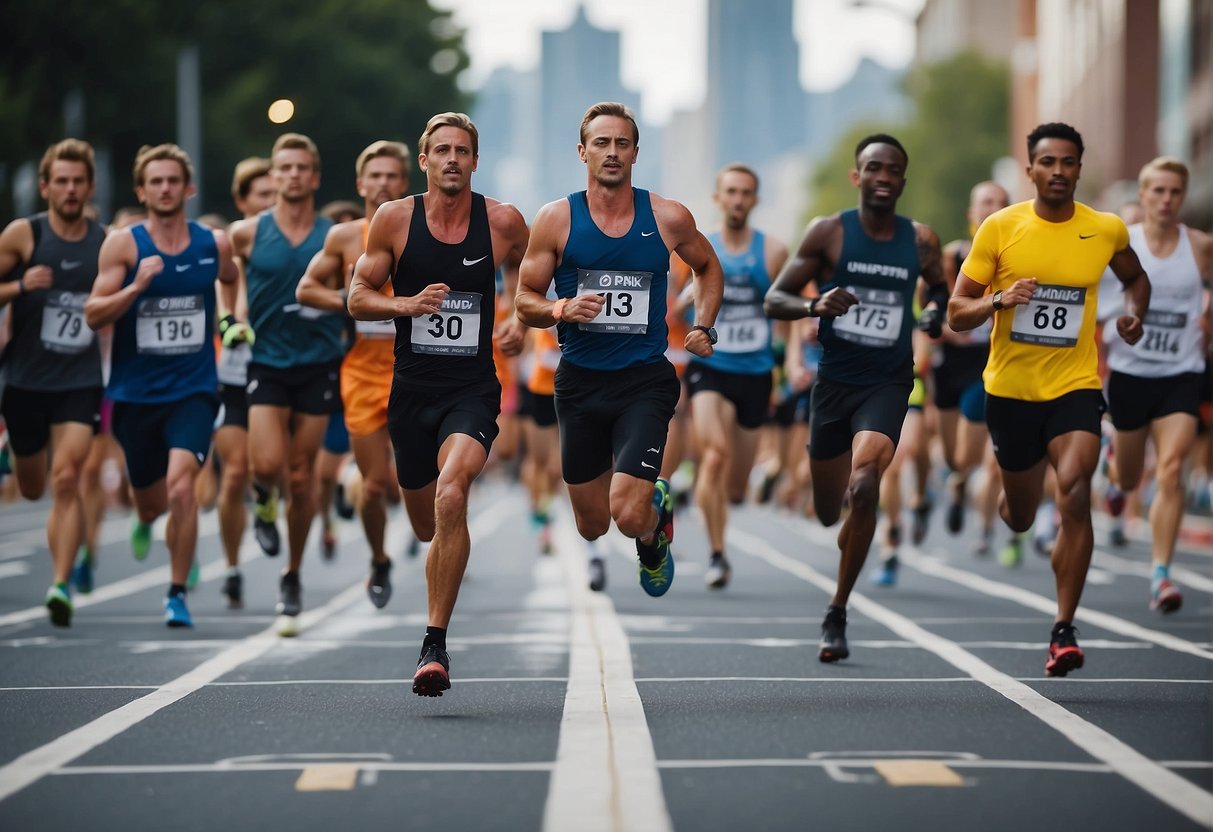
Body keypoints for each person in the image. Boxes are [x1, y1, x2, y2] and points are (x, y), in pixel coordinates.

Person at [949, 122, 1150, 676]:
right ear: (1031, 168)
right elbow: (954, 311)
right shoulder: (1001, 228)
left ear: (1079, 168)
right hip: (1011, 393)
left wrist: (1135, 314)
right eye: (1048, 162)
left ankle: (1064, 628)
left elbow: (1137, 279)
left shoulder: (1105, 229)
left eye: (1068, 162)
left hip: (1075, 387)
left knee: (1075, 492)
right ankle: (1013, 507)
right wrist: (998, 300)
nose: (1059, 171)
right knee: (1018, 515)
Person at [349, 113, 529, 696]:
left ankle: (434, 643)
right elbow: (357, 297)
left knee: (454, 493)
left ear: (476, 161)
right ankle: (434, 578)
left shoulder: (502, 222)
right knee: (427, 522)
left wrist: (522, 324)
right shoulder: (394, 220)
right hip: (411, 393)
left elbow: (533, 281)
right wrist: (407, 307)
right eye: (441, 151)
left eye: (463, 151)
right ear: (423, 161)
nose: (452, 159)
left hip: (473, 389)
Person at [516, 101, 724, 599]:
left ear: (635, 152)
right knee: (592, 525)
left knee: (628, 515)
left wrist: (704, 327)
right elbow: (524, 302)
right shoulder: (556, 219)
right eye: (602, 143)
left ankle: (652, 533)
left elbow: (709, 268)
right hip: (580, 382)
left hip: (643, 381)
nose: (612, 153)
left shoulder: (668, 216)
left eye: (622, 144)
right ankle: (649, 510)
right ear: (582, 152)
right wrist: (560, 310)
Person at [764, 133, 946, 663]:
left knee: (865, 484)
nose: (883, 178)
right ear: (857, 177)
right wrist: (813, 304)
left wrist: (933, 311)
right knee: (827, 511)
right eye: (874, 169)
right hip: (834, 384)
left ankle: (837, 610)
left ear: (902, 180)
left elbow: (938, 288)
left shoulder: (920, 241)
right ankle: (849, 522)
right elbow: (776, 298)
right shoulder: (829, 234)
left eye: (893, 170)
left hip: (888, 383)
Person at [85, 143, 237, 628]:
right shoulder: (123, 246)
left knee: (181, 488)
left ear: (188, 188)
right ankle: (146, 519)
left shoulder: (213, 243)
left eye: (174, 180)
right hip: (134, 396)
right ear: (142, 190)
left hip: (192, 391)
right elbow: (92, 314)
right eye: (156, 181)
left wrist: (231, 316)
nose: (166, 188)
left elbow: (232, 280)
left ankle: (176, 594)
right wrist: (134, 288)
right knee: (150, 502)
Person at [230, 133, 341, 636]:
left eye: (301, 168)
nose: (293, 175)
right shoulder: (247, 234)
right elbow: (227, 278)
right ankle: (262, 500)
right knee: (268, 465)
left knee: (302, 478)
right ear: (273, 176)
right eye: (284, 168)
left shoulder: (333, 236)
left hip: (318, 363)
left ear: (314, 177)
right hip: (268, 363)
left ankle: (291, 573)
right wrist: (232, 316)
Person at [298, 139, 412, 608]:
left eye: (392, 177)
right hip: (363, 373)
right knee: (374, 487)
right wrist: (352, 303)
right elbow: (306, 289)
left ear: (405, 184)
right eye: (376, 176)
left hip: (416, 369)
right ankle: (380, 557)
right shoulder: (345, 237)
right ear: (360, 183)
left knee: (420, 479)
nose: (383, 184)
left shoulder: (423, 230)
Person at [0, 139, 107, 626]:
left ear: (89, 186)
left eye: (77, 181)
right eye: (60, 181)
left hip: (79, 380)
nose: (69, 189)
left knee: (68, 480)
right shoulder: (24, 235)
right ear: (45, 186)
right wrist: (20, 286)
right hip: (24, 380)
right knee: (32, 486)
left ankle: (60, 583)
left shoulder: (106, 243)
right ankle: (15, 454)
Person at [1102, 157, 1210, 613]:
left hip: (1180, 375)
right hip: (1130, 375)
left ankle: (1160, 574)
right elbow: (1096, 303)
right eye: (1158, 191)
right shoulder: (1122, 246)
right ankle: (1113, 463)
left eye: (1174, 192)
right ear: (1142, 195)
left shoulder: (1201, 246)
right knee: (1128, 479)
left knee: (1171, 470)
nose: (1166, 200)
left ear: (1182, 198)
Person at [685, 163, 788, 589]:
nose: (738, 200)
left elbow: (787, 310)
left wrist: (789, 359)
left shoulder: (774, 252)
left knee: (736, 489)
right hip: (710, 366)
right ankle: (717, 554)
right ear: (718, 198)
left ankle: (739, 491)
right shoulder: (701, 245)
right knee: (714, 454)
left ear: (755, 200)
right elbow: (684, 296)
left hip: (756, 371)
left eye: (746, 192)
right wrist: (683, 306)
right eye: (731, 192)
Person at [207, 156, 275, 609]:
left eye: (276, 195)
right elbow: (217, 293)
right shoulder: (228, 244)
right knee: (233, 474)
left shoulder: (291, 243)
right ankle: (232, 568)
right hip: (232, 374)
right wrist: (229, 319)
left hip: (279, 370)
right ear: (242, 201)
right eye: (262, 196)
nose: (271, 203)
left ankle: (268, 497)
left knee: (273, 468)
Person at [937, 181, 1011, 552]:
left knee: (984, 454)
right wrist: (946, 331)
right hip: (951, 366)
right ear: (972, 213)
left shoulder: (1016, 255)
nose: (993, 208)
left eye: (1001, 203)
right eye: (986, 202)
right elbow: (934, 309)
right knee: (957, 456)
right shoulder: (953, 256)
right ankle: (958, 480)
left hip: (989, 365)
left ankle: (983, 523)